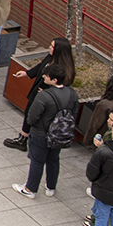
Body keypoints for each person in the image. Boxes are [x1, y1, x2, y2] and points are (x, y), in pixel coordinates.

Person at [13, 64, 80, 199]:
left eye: (46, 75)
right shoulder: (72, 93)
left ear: (54, 80)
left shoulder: (44, 95)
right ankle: (50, 187)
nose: (43, 76)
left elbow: (31, 117)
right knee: (53, 159)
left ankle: (30, 189)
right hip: (60, 134)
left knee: (37, 161)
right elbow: (74, 112)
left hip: (41, 134)